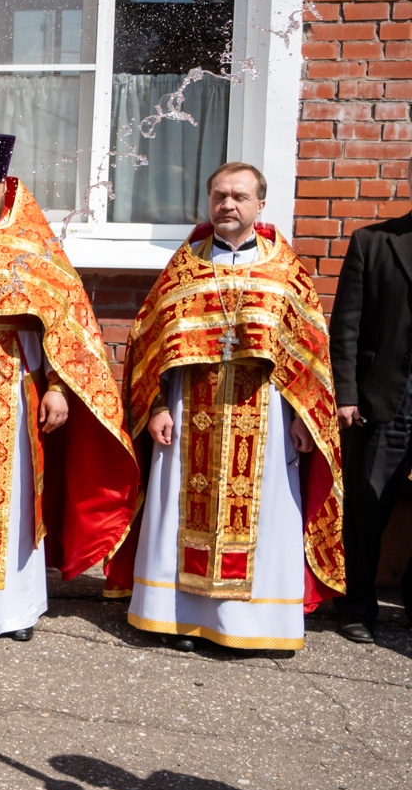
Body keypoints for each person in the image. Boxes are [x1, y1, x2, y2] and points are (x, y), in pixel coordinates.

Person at [107, 162, 344, 652]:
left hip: (268, 416)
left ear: (260, 204)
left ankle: (253, 625)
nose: (227, 205)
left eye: (239, 196)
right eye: (219, 196)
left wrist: (304, 416)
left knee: (265, 515)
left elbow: (311, 351)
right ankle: (179, 618)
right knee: (179, 510)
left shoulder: (285, 269)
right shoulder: (185, 266)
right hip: (189, 408)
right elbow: (148, 342)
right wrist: (154, 407)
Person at [0, 134, 137, 643]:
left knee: (13, 500)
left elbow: (65, 322)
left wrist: (60, 387)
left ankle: (12, 613)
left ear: (6, 184)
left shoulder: (32, 241)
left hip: (9, 391)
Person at [327, 193, 412, 643]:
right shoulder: (372, 242)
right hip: (383, 398)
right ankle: (356, 605)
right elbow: (346, 325)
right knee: (367, 508)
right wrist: (346, 393)